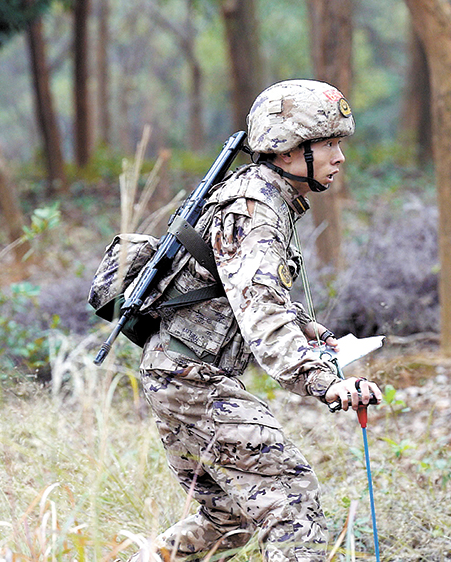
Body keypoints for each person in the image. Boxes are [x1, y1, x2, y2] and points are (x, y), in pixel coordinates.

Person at [132, 79, 382, 562]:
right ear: (288, 153)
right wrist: (322, 382)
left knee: (227, 522)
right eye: (328, 144)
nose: (340, 157)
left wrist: (314, 334)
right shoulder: (255, 209)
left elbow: (247, 294)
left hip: (177, 375)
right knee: (292, 499)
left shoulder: (263, 197)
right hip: (191, 380)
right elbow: (261, 314)